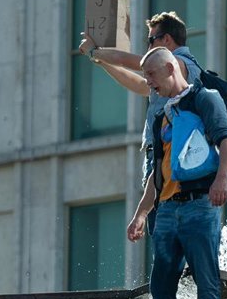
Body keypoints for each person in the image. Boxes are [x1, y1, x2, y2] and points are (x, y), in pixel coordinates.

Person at [125, 47, 227, 299]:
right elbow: (158, 172)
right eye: (146, 75)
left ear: (170, 68)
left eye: (151, 74)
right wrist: (140, 214)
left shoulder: (205, 99)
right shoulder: (162, 116)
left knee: (204, 272)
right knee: (161, 276)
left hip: (198, 204)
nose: (148, 81)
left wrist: (221, 179)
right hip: (166, 207)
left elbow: (226, 140)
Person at [79, 12, 204, 231]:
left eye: (151, 40)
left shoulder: (178, 63)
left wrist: (94, 51)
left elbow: (129, 61)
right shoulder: (171, 75)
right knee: (162, 220)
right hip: (164, 151)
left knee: (164, 221)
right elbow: (139, 85)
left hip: (168, 151)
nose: (149, 48)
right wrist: (102, 62)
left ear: (167, 40)